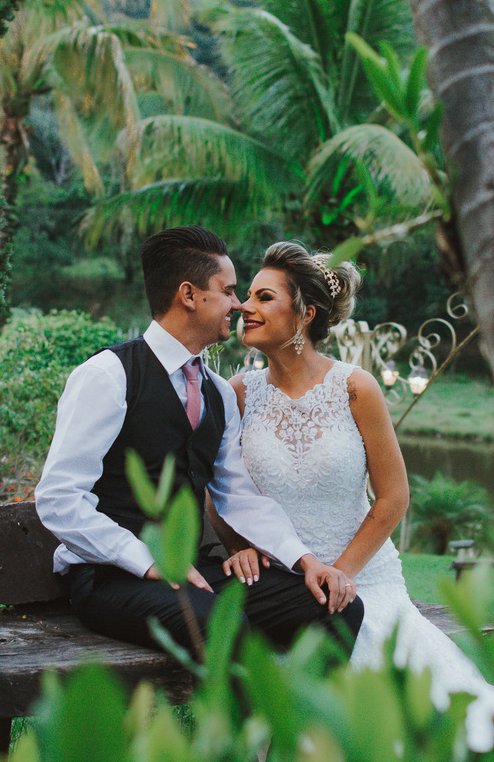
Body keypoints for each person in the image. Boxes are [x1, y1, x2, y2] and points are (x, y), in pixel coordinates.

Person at [208, 240, 494, 752]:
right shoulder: (238, 393)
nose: (244, 306)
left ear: (304, 314)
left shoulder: (356, 388)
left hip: (362, 579)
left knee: (405, 712)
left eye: (264, 297)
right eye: (247, 296)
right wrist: (239, 546)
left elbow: (394, 497)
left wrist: (340, 573)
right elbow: (220, 490)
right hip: (279, 588)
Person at [33, 226, 364, 657]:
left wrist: (306, 561)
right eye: (228, 291)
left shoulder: (219, 393)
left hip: (192, 572)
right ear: (189, 295)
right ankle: (246, 703)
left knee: (333, 607)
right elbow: (58, 498)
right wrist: (147, 561)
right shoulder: (107, 376)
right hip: (111, 575)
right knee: (222, 623)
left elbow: (238, 495)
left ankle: (306, 704)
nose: (239, 304)